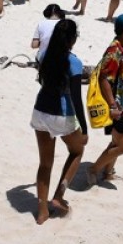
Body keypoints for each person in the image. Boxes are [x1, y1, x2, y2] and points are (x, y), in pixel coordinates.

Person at [29, 19, 87, 224]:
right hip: (62, 114)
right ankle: (59, 195)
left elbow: (43, 82)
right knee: (77, 150)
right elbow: (76, 99)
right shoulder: (74, 62)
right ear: (72, 39)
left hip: (41, 111)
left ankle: (42, 211)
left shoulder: (44, 55)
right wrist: (85, 127)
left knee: (45, 164)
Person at [86, 13, 123, 185]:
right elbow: (104, 79)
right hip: (116, 104)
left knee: (116, 141)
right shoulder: (114, 52)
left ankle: (108, 172)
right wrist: (112, 105)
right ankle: (94, 169)